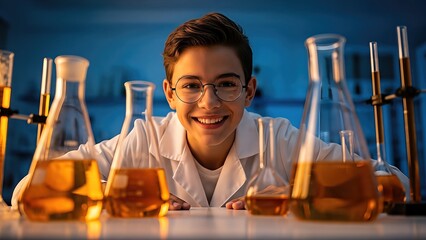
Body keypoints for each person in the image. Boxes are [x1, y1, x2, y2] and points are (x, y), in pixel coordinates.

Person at [12, 12, 409, 210]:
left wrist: (304, 195)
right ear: (169, 94)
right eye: (191, 86)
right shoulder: (143, 140)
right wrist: (115, 195)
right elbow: (25, 191)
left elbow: (396, 185)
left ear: (249, 90)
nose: (210, 102)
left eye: (226, 83)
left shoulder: (280, 138)